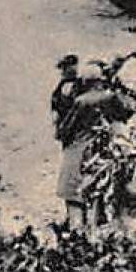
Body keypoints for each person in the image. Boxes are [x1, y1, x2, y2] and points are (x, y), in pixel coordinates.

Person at [51, 56, 130, 228]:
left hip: (81, 150)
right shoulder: (111, 97)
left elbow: (65, 130)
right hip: (104, 150)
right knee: (98, 192)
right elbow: (125, 114)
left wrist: (59, 131)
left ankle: (77, 230)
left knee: (72, 191)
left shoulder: (81, 101)